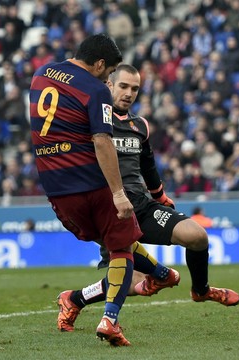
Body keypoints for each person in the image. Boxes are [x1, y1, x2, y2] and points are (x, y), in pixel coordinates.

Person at [55, 64, 239, 334]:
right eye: (123, 87)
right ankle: (74, 299)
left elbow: (148, 166)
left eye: (135, 89)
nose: (129, 93)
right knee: (130, 284)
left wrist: (160, 196)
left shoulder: (139, 125)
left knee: (197, 236)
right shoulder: (91, 121)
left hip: (141, 205)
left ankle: (201, 290)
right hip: (109, 210)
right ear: (109, 85)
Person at [29, 34, 139, 346]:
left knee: (117, 238)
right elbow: (102, 140)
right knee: (122, 247)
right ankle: (110, 319)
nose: (110, 78)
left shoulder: (40, 75)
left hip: (56, 188)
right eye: (111, 70)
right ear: (100, 63)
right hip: (90, 182)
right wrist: (118, 192)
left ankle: (157, 274)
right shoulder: (95, 89)